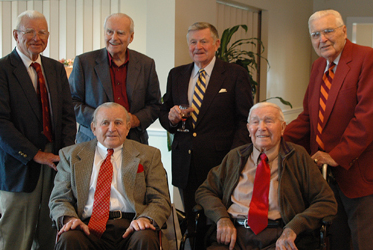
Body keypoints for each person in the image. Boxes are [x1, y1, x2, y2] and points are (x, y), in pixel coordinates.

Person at [283, 9, 373, 250]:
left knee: (363, 242)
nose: (322, 39)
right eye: (315, 34)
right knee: (335, 240)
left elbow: (367, 117)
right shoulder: (318, 67)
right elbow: (309, 118)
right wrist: (276, 138)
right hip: (325, 178)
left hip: (359, 175)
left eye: (328, 31)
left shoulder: (367, 58)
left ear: (344, 31)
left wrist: (336, 155)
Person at [196, 102, 337, 250]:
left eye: (268, 121)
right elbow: (204, 191)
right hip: (234, 236)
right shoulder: (235, 157)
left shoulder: (297, 157)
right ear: (249, 130)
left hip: (278, 237)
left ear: (282, 128)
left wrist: (294, 227)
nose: (261, 128)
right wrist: (221, 217)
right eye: (255, 122)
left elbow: (326, 202)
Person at [159, 22, 253, 237]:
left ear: (216, 44)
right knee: (193, 225)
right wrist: (171, 119)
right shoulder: (177, 75)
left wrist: (234, 157)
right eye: (193, 42)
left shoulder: (234, 74)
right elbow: (164, 114)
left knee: (218, 223)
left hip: (221, 164)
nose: (197, 47)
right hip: (186, 163)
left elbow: (244, 119)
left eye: (203, 41)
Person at [0, 10, 76, 250]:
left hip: (54, 164)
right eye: (29, 31)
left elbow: (67, 116)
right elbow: (0, 122)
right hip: (19, 164)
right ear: (15, 35)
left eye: (42, 32)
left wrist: (63, 155)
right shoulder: (2, 69)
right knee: (16, 237)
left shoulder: (54, 68)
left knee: (49, 232)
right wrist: (34, 154)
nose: (36, 37)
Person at [49, 102, 171, 250]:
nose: (112, 129)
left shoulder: (149, 155)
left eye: (118, 123)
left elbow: (160, 199)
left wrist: (146, 218)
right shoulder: (70, 155)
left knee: (146, 237)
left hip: (132, 226)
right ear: (93, 128)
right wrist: (70, 219)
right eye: (105, 123)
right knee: (70, 238)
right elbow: (59, 199)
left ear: (127, 128)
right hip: (86, 227)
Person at [70, 13, 161, 145]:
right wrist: (102, 120)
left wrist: (135, 119)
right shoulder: (84, 62)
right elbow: (72, 103)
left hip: (133, 141)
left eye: (120, 33)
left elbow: (155, 105)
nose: (114, 38)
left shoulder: (146, 64)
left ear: (131, 37)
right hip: (92, 143)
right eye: (109, 32)